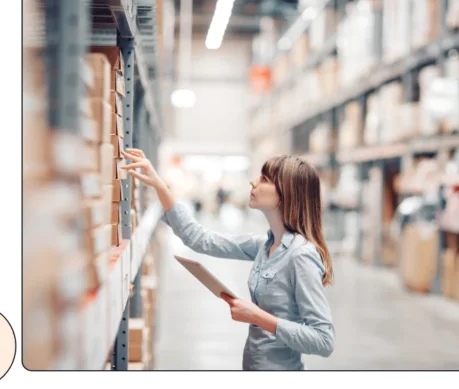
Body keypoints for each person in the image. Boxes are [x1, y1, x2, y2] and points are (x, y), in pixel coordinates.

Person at [121, 149, 335, 371]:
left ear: (285, 193)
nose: (253, 183)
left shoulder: (301, 256)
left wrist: (257, 316)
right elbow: (200, 239)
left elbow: (324, 339)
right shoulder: (265, 245)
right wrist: (159, 186)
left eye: (264, 179)